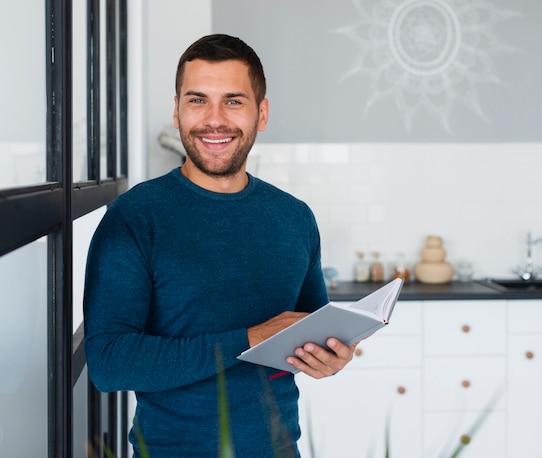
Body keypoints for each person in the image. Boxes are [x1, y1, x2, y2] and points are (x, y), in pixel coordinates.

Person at [83, 34, 356, 457]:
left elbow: (307, 330)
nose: (215, 120)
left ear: (260, 113)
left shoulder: (295, 217)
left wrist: (330, 358)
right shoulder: (134, 216)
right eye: (197, 101)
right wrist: (250, 338)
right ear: (176, 111)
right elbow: (109, 360)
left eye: (233, 101)